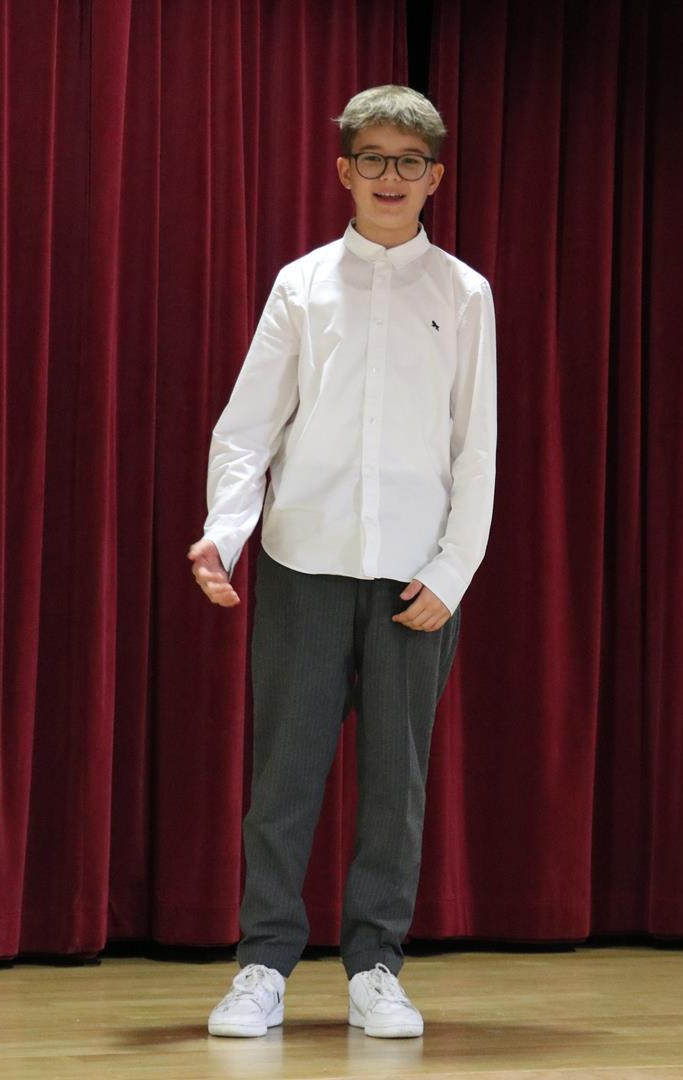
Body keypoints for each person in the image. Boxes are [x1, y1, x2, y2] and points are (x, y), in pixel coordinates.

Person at [187, 84, 498, 1039]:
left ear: (435, 177)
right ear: (344, 172)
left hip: (416, 577)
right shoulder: (303, 284)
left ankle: (376, 968)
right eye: (373, 159)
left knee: (396, 785)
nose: (390, 177)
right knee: (284, 776)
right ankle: (263, 965)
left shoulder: (466, 293)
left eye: (409, 162)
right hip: (304, 560)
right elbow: (249, 426)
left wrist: (453, 569)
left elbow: (476, 446)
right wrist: (224, 532)